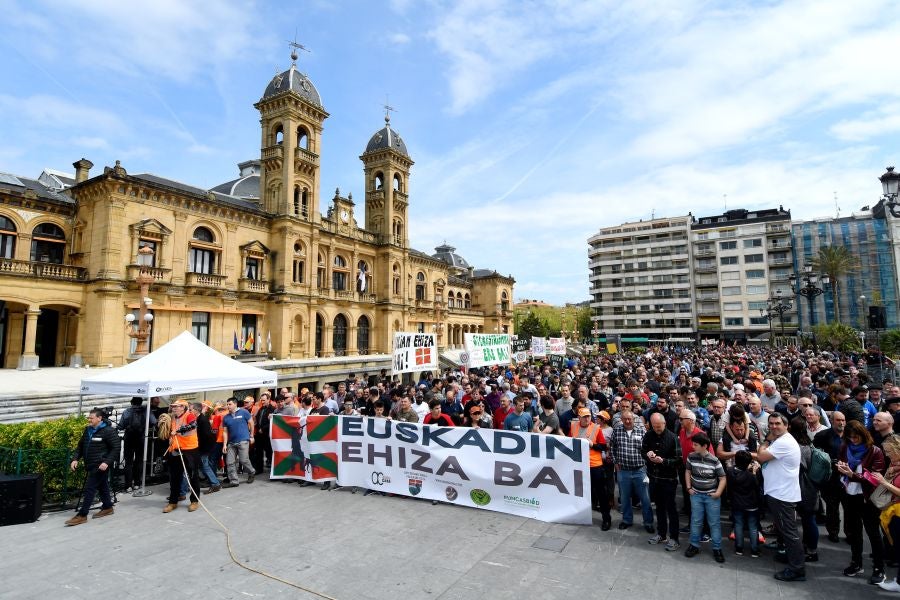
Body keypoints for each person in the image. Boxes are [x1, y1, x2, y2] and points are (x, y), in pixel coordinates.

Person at [756, 413, 805, 582]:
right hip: (778, 492)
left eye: (777, 423)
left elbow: (761, 457)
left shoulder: (784, 442)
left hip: (782, 496)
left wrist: (765, 442)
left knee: (789, 532)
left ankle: (797, 569)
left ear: (786, 425)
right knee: (785, 530)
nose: (774, 426)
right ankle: (790, 556)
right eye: (771, 423)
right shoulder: (781, 440)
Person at [837, 419, 886, 584]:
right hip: (849, 494)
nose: (853, 440)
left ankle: (879, 568)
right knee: (854, 531)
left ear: (863, 435)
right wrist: (841, 469)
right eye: (850, 437)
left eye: (856, 437)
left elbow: (874, 478)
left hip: (867, 498)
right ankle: (856, 563)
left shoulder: (875, 451)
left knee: (873, 533)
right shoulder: (845, 447)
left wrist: (852, 475)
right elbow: (841, 464)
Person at [65, 408, 121, 526]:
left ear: (99, 418)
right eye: (89, 418)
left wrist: (107, 462)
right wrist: (75, 459)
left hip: (100, 465)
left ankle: (82, 515)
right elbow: (80, 446)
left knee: (90, 488)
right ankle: (108, 507)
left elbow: (116, 448)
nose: (89, 420)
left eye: (91, 418)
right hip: (90, 464)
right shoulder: (88, 430)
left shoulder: (108, 431)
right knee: (102, 486)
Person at [683, 432, 726, 563]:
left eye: (696, 445)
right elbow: (687, 471)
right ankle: (694, 545)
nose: (693, 446)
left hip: (711, 497)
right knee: (696, 521)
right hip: (696, 495)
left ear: (705, 446)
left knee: (714, 523)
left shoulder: (714, 460)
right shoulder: (691, 457)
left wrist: (718, 493)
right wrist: (689, 488)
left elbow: (723, 478)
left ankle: (717, 548)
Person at [609, 410, 654, 532]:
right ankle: (627, 520)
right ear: (621, 420)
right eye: (625, 419)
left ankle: (648, 522)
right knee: (625, 498)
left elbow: (648, 449)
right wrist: (615, 462)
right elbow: (612, 448)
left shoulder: (642, 431)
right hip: (623, 471)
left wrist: (647, 464)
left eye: (630, 419)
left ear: (634, 419)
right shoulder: (617, 431)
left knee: (645, 498)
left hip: (640, 470)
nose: (627, 421)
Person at [643, 412, 682, 550]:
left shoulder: (673, 437)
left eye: (659, 426)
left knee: (671, 509)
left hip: (668, 479)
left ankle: (675, 538)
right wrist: (648, 454)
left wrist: (663, 461)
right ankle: (661, 534)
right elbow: (643, 450)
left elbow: (679, 460)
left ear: (664, 423)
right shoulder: (648, 435)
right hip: (654, 478)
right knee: (659, 507)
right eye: (654, 426)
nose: (657, 429)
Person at [871, 435, 900, 592]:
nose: (887, 454)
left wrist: (883, 482)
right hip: (894, 512)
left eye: (889, 451)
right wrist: (888, 476)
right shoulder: (895, 465)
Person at [813, 411, 846, 543]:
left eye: (843, 420)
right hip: (830, 477)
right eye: (838, 420)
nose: (841, 423)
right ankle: (833, 532)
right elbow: (816, 455)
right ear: (831, 421)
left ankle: (850, 533)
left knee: (849, 508)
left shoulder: (850, 435)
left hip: (847, 477)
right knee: (832, 507)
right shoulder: (822, 436)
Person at [163, 400, 201, 513]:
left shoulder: (189, 415)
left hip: (190, 450)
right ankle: (173, 502)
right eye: (173, 406)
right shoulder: (172, 417)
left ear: (183, 407)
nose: (174, 408)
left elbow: (193, 425)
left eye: (176, 406)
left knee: (193, 476)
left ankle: (194, 501)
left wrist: (178, 431)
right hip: (175, 450)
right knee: (174, 477)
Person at [116, 396, 156, 492]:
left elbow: (120, 426)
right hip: (141, 438)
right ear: (141, 402)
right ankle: (137, 484)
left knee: (128, 462)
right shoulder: (146, 410)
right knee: (139, 461)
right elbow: (154, 421)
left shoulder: (127, 411)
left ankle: (128, 486)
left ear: (131, 402)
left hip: (129, 438)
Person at [726, 450, 762, 557]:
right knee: (753, 526)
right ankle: (754, 550)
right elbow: (757, 487)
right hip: (752, 504)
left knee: (738, 525)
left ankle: (739, 548)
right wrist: (754, 472)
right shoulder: (751, 475)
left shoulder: (730, 471)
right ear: (749, 462)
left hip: (737, 503)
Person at [221, 397, 256, 488]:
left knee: (243, 460)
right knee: (229, 462)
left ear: (235, 404)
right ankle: (234, 481)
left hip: (243, 440)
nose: (228, 406)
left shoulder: (244, 412)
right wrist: (224, 444)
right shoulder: (226, 417)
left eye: (230, 404)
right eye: (227, 404)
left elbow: (251, 423)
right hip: (231, 443)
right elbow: (225, 432)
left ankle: (251, 472)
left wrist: (252, 436)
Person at [190, 402, 220, 494]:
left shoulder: (202, 420)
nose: (190, 411)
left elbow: (207, 436)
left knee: (205, 466)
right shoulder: (199, 419)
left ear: (196, 410)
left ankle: (215, 484)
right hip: (203, 448)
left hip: (204, 448)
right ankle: (214, 483)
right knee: (204, 466)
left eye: (191, 410)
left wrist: (202, 449)